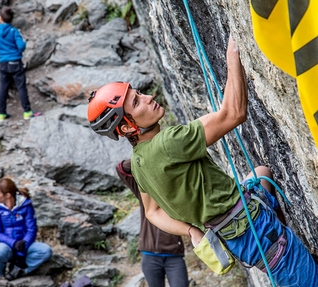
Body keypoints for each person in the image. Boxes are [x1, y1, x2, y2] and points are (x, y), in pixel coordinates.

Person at [87, 37, 318, 286]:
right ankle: (289, 256)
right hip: (256, 233)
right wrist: (232, 55)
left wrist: (191, 230)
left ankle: (285, 246)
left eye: (139, 93)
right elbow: (234, 114)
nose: (148, 97)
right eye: (136, 102)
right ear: (126, 126)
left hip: (235, 237)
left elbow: (153, 212)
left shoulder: (138, 162)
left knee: (262, 173)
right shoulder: (167, 143)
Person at [116, 159, 189, 287]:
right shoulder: (145, 194)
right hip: (150, 256)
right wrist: (148, 156)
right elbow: (122, 168)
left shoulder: (178, 195)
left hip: (174, 256)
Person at [0, 178, 52, 281]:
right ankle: (0, 276)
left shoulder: (26, 205)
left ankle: (18, 270)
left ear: (8, 195)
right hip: (8, 246)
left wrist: (21, 252)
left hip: (25, 244)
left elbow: (31, 229)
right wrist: (14, 244)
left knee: (46, 251)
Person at [0, 6, 42, 122]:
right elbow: (21, 46)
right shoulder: (13, 31)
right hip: (15, 62)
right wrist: (17, 50)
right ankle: (27, 112)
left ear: (0, 18)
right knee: (21, 87)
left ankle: (2, 113)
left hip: (3, 63)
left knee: (3, 87)